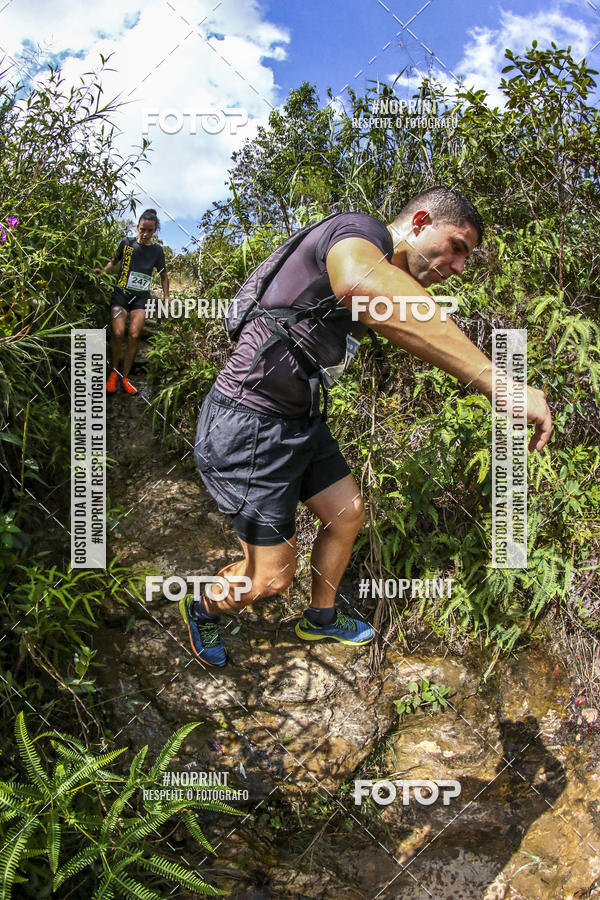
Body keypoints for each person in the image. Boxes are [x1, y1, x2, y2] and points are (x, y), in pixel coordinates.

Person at [181, 186, 553, 667]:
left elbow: (392, 309)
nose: (459, 267)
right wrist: (498, 384)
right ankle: (201, 605)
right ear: (419, 222)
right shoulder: (360, 231)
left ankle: (320, 618)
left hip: (300, 420)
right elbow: (360, 283)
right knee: (270, 579)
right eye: (457, 247)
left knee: (347, 513)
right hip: (249, 421)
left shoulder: (379, 262)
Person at [97, 209, 170, 395]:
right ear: (137, 227)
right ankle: (113, 374)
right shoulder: (127, 244)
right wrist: (103, 272)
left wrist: (166, 295)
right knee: (118, 331)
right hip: (121, 294)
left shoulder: (156, 251)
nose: (145, 234)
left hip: (141, 299)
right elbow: (114, 262)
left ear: (155, 231)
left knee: (134, 335)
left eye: (150, 230)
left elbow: (164, 276)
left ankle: (125, 377)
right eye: (142, 229)